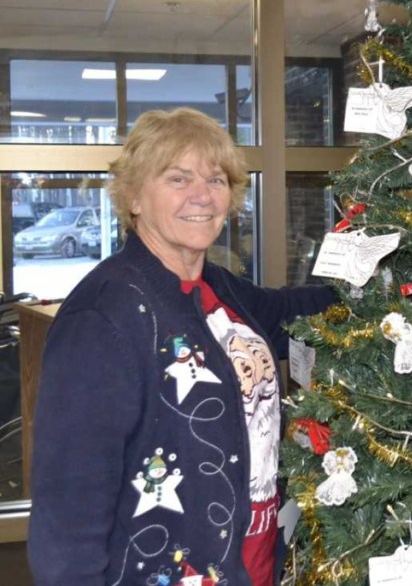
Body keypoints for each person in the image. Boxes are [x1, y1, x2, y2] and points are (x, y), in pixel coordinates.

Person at [28, 108, 336, 586]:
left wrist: (378, 287)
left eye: (216, 180)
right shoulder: (104, 317)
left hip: (249, 564)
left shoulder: (216, 287)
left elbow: (288, 312)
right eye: (178, 178)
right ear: (133, 196)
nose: (202, 196)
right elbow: (69, 511)